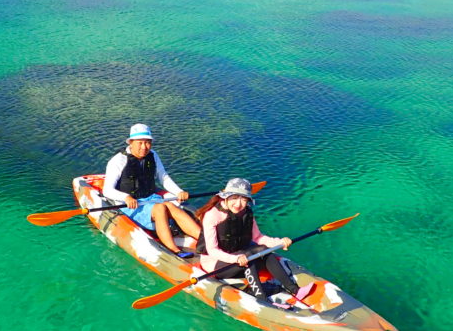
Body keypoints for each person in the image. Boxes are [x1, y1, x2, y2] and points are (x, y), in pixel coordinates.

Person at [195, 178, 314, 307]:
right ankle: (262, 298)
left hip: (239, 257)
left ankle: (295, 290)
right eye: (234, 198)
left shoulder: (246, 213)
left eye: (244, 199)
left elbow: (258, 238)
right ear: (226, 197)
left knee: (264, 250)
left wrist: (280, 242)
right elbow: (212, 250)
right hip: (214, 264)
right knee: (251, 256)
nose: (238, 204)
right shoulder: (212, 215)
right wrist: (235, 258)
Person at [102, 123, 201, 254]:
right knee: (160, 208)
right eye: (140, 143)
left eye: (148, 143)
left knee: (171, 206)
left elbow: (163, 177)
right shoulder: (118, 161)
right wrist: (125, 197)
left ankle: (203, 239)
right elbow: (107, 190)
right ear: (131, 142)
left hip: (151, 198)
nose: (144, 147)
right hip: (131, 205)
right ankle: (173, 250)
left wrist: (179, 191)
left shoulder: (153, 155)